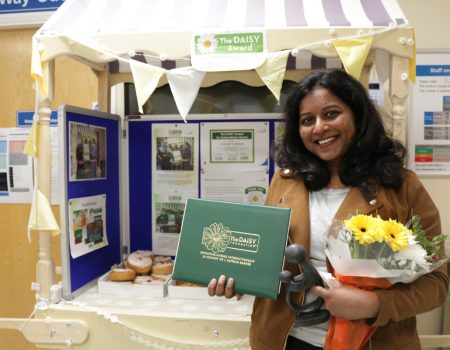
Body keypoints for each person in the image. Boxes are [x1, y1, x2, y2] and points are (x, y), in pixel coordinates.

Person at [208, 69, 449, 350]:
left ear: (358, 115)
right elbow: (266, 260)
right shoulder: (285, 182)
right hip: (287, 340)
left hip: (371, 342)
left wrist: (374, 304)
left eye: (331, 114)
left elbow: (437, 284)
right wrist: (237, 278)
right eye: (307, 120)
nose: (319, 127)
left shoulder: (402, 185)